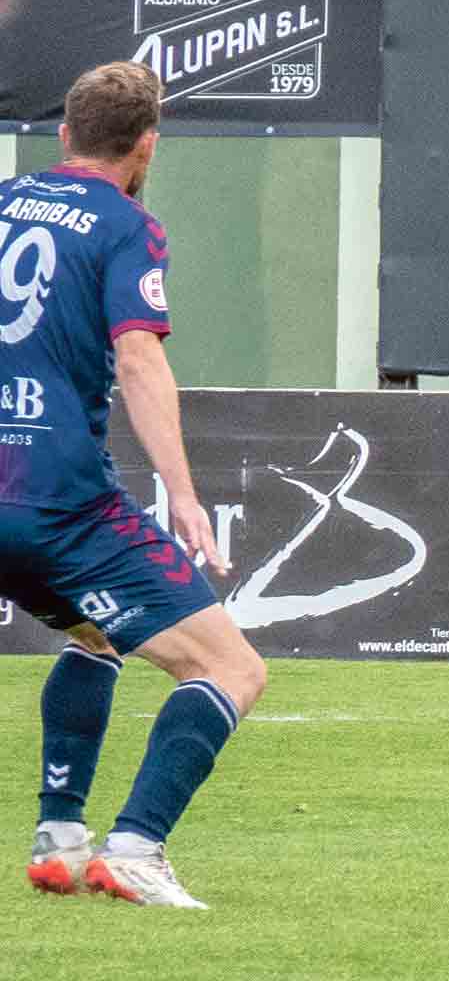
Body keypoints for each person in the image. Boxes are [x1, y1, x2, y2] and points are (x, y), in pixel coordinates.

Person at [6, 62, 267, 908]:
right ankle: (137, 846)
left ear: (63, 134)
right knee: (232, 669)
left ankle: (59, 836)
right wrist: (184, 494)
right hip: (60, 500)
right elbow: (139, 355)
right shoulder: (129, 226)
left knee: (94, 634)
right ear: (147, 144)